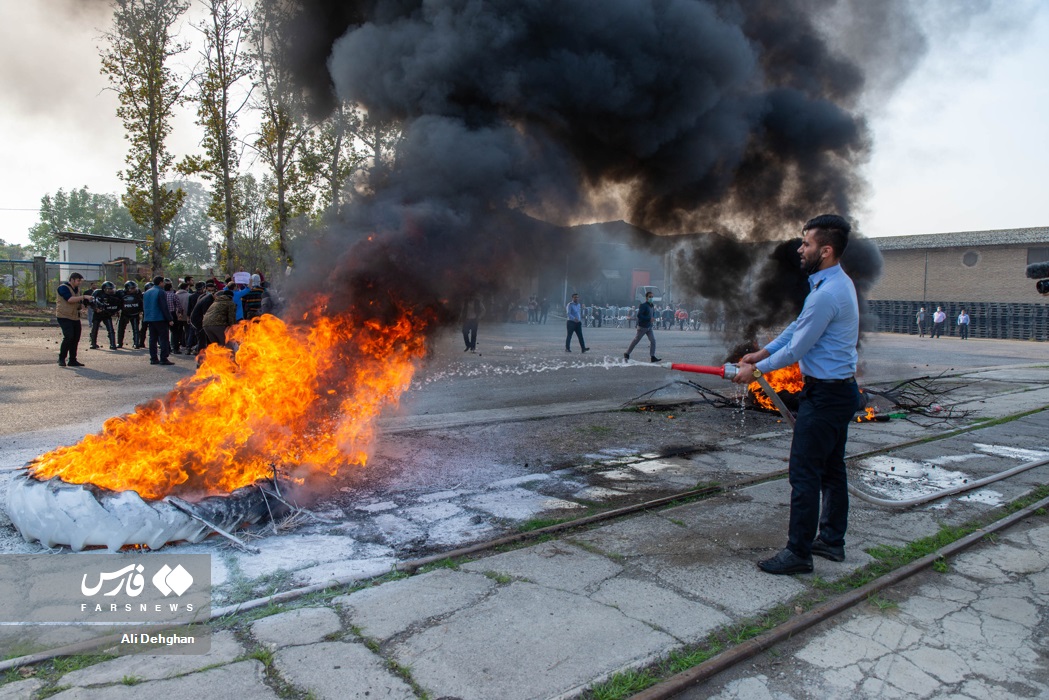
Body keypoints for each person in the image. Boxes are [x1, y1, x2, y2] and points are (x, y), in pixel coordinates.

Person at [733, 214, 860, 575]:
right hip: (838, 393)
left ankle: (798, 553)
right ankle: (832, 542)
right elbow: (795, 328)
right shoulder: (830, 284)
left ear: (827, 249)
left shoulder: (828, 293)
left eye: (806, 243)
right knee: (832, 470)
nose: (800, 249)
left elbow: (797, 349)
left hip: (825, 398)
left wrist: (754, 371)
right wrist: (760, 353)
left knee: (804, 475)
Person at [55, 272, 88, 367]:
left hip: (74, 316)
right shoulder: (63, 288)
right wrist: (83, 297)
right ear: (72, 279)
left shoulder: (77, 289)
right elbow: (69, 299)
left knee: (76, 338)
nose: (79, 283)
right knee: (69, 336)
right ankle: (61, 358)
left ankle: (72, 360)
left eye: (80, 281)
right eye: (78, 281)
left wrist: (82, 306)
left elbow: (77, 301)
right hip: (64, 316)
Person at [143, 275, 175, 365]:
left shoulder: (147, 292)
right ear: (160, 282)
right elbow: (164, 306)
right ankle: (163, 358)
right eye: (163, 282)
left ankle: (153, 358)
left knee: (152, 339)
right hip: (160, 318)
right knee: (163, 338)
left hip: (150, 318)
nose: (164, 284)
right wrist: (169, 319)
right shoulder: (160, 292)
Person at [624, 290, 661, 362]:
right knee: (636, 341)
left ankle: (652, 356)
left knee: (653, 341)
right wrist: (649, 319)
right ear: (646, 298)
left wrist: (653, 318)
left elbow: (653, 314)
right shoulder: (643, 305)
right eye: (650, 297)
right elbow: (639, 315)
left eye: (652, 297)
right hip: (642, 327)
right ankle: (627, 353)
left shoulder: (652, 306)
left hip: (649, 327)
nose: (651, 298)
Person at [89, 281, 120, 350]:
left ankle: (112, 344)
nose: (111, 290)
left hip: (107, 314)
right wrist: (95, 308)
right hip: (98, 314)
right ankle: (93, 343)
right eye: (109, 289)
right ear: (104, 289)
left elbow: (117, 304)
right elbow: (91, 301)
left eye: (112, 289)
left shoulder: (113, 295)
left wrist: (114, 311)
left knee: (110, 329)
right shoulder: (97, 292)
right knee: (95, 329)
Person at [117, 281, 144, 349]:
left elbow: (141, 302)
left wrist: (140, 310)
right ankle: (119, 343)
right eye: (132, 288)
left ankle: (136, 343)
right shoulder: (121, 293)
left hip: (135, 313)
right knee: (121, 329)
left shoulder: (138, 293)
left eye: (135, 288)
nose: (134, 289)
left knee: (135, 329)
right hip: (125, 313)